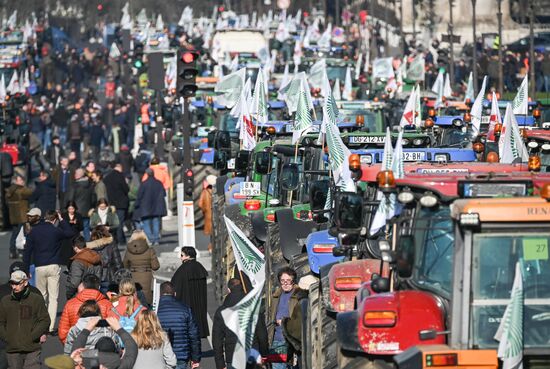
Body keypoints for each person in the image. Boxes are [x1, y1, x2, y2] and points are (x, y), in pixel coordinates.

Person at [24, 210, 76, 333]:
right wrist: (62, 220)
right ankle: (51, 326)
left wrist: (26, 270)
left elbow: (27, 252)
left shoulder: (34, 232)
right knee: (53, 297)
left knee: (42, 296)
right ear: (54, 220)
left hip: (39, 266)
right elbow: (70, 233)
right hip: (53, 265)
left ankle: (41, 324)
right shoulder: (55, 230)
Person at [212, 279, 268, 369]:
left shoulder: (221, 311)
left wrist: (220, 364)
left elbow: (217, 341)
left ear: (229, 290)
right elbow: (262, 335)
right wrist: (264, 354)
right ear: (242, 288)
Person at [0, 270, 50, 369]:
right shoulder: (5, 301)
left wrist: (32, 336)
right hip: (12, 349)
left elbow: (44, 320)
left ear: (25, 282)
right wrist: (6, 337)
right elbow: (0, 322)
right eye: (12, 283)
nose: (14, 287)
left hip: (32, 348)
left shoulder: (36, 299)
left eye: (17, 283)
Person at [157, 282, 201, 369]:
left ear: (159, 294)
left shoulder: (153, 311)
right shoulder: (185, 309)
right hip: (181, 355)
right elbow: (194, 335)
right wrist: (195, 358)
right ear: (175, 294)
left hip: (160, 355)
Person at [59, 274, 113, 344]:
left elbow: (63, 331)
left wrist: (70, 346)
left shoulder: (70, 304)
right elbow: (112, 328)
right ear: (99, 287)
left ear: (83, 286)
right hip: (100, 347)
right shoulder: (107, 304)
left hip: (76, 346)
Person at [70, 316, 138, 369]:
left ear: (96, 350)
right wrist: (119, 328)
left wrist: (87, 329)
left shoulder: (85, 364)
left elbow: (75, 352)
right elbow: (132, 347)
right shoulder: (121, 365)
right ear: (115, 351)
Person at [171, 247, 209, 338]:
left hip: (186, 302)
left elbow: (174, 285)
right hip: (199, 303)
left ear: (188, 256)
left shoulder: (182, 269)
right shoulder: (199, 267)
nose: (180, 258)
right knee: (198, 331)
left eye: (182, 255)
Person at [268, 267, 301, 369]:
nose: (285, 283)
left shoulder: (299, 296)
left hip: (292, 339)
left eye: (288, 281)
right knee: (277, 366)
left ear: (293, 281)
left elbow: (300, 318)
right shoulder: (275, 297)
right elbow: (271, 315)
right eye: (282, 281)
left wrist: (284, 321)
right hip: (277, 339)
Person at [122, 230, 160, 305]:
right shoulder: (150, 250)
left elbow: (124, 266)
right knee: (147, 294)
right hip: (146, 275)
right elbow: (155, 266)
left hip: (133, 275)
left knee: (134, 294)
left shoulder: (128, 250)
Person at [135, 168, 166, 246]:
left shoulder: (144, 184)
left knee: (146, 224)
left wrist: (136, 205)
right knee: (156, 223)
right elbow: (164, 194)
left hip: (145, 207)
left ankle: (151, 238)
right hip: (157, 207)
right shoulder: (159, 183)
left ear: (147, 174)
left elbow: (139, 195)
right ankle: (156, 239)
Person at [87, 225, 123, 290]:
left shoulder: (89, 247)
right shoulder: (111, 244)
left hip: (94, 278)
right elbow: (118, 263)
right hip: (110, 278)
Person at [5, 175, 33, 259]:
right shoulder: (20, 190)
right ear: (16, 181)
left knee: (14, 234)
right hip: (22, 216)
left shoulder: (9, 190)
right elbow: (30, 192)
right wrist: (24, 186)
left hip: (14, 216)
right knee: (23, 234)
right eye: (20, 180)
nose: (22, 181)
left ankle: (12, 251)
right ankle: (21, 251)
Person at [103, 162, 130, 245]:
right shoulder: (120, 176)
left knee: (113, 222)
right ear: (119, 167)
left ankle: (116, 239)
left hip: (111, 203)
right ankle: (120, 239)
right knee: (120, 222)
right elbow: (126, 189)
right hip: (121, 203)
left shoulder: (107, 177)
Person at [69, 168, 96, 241]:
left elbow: (70, 199)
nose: (74, 175)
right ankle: (88, 246)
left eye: (75, 173)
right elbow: (93, 199)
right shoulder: (90, 185)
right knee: (86, 229)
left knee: (75, 229)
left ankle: (77, 246)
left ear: (78, 175)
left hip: (76, 211)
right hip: (87, 210)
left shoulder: (74, 186)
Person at [60, 200, 84, 266]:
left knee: (74, 253)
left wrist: (77, 223)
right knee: (66, 253)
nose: (71, 210)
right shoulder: (63, 215)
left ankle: (74, 265)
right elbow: (61, 226)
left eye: (72, 209)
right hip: (66, 238)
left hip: (75, 237)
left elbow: (81, 227)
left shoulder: (78, 216)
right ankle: (66, 265)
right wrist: (68, 222)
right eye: (69, 209)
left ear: (75, 208)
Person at [198, 175, 215, 253]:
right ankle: (213, 247)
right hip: (216, 214)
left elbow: (200, 204)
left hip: (208, 215)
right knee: (215, 232)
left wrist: (205, 210)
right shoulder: (217, 191)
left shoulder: (205, 191)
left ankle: (211, 247)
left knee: (211, 233)